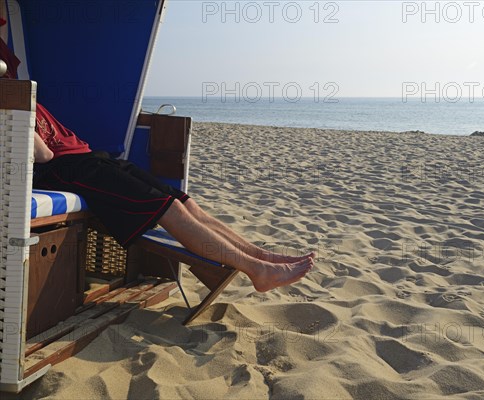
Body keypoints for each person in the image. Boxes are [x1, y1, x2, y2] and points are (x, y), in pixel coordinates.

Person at [1, 31, 313, 292]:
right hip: (69, 170)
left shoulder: (15, 93)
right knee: (168, 208)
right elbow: (44, 155)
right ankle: (256, 269)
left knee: (184, 202)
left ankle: (261, 256)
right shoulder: (8, 102)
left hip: (89, 159)